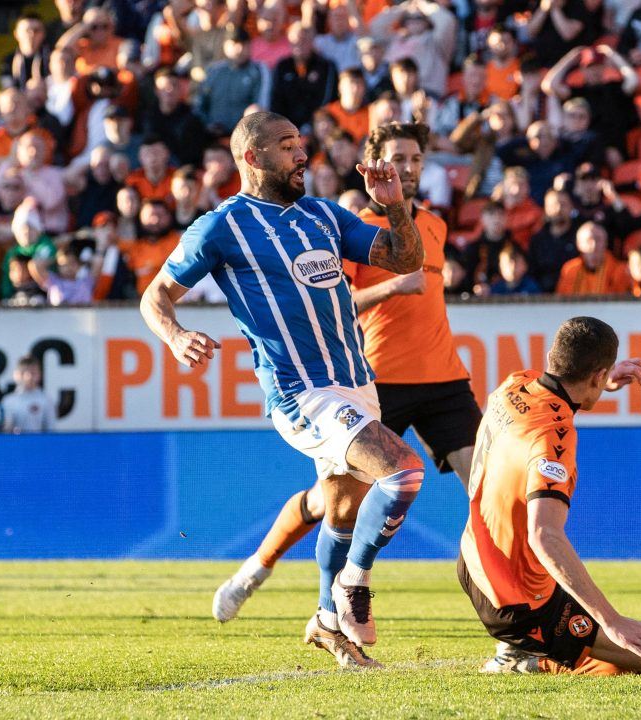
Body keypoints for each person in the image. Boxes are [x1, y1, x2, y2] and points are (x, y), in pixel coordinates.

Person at [140, 111, 425, 668]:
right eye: (288, 146)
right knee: (403, 471)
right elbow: (156, 296)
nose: (303, 155)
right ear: (253, 157)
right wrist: (175, 337)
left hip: (355, 381)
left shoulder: (323, 214)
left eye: (302, 144)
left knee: (342, 510)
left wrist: (393, 203)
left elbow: (405, 257)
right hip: (302, 392)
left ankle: (324, 621)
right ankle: (353, 584)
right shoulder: (222, 226)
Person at [209, 122, 484, 638]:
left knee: (486, 493)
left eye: (416, 158)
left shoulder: (435, 227)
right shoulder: (343, 224)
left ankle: (502, 605)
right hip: (377, 378)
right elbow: (337, 303)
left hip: (445, 379)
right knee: (330, 502)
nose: (407, 167)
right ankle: (259, 567)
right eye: (397, 157)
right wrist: (391, 290)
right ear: (375, 161)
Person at [460, 316, 641, 676]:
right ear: (597, 376)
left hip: (473, 560)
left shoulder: (514, 385)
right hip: (517, 602)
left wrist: (602, 380)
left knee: (613, 647)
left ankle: (522, 646)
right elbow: (544, 535)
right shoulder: (554, 443)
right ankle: (528, 657)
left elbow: (554, 406)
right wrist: (612, 620)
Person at [0, 355, 57, 433]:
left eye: (33, 373)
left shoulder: (46, 400)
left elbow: (51, 431)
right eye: (23, 373)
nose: (28, 377)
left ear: (39, 375)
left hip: (38, 444)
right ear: (16, 375)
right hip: (14, 444)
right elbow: (4, 431)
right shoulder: (8, 401)